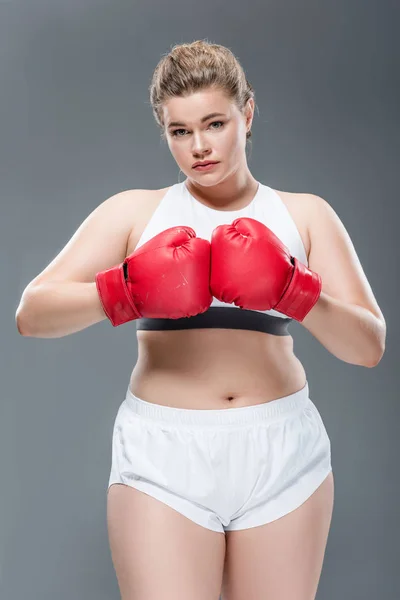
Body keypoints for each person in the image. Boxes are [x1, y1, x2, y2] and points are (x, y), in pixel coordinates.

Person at [16, 39, 386, 600]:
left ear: (249, 112)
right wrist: (127, 291)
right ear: (164, 131)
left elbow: (369, 345)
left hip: (282, 450)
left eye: (214, 123)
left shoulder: (305, 214)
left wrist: (293, 290)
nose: (199, 147)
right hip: (164, 452)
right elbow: (32, 313)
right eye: (180, 131)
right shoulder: (135, 211)